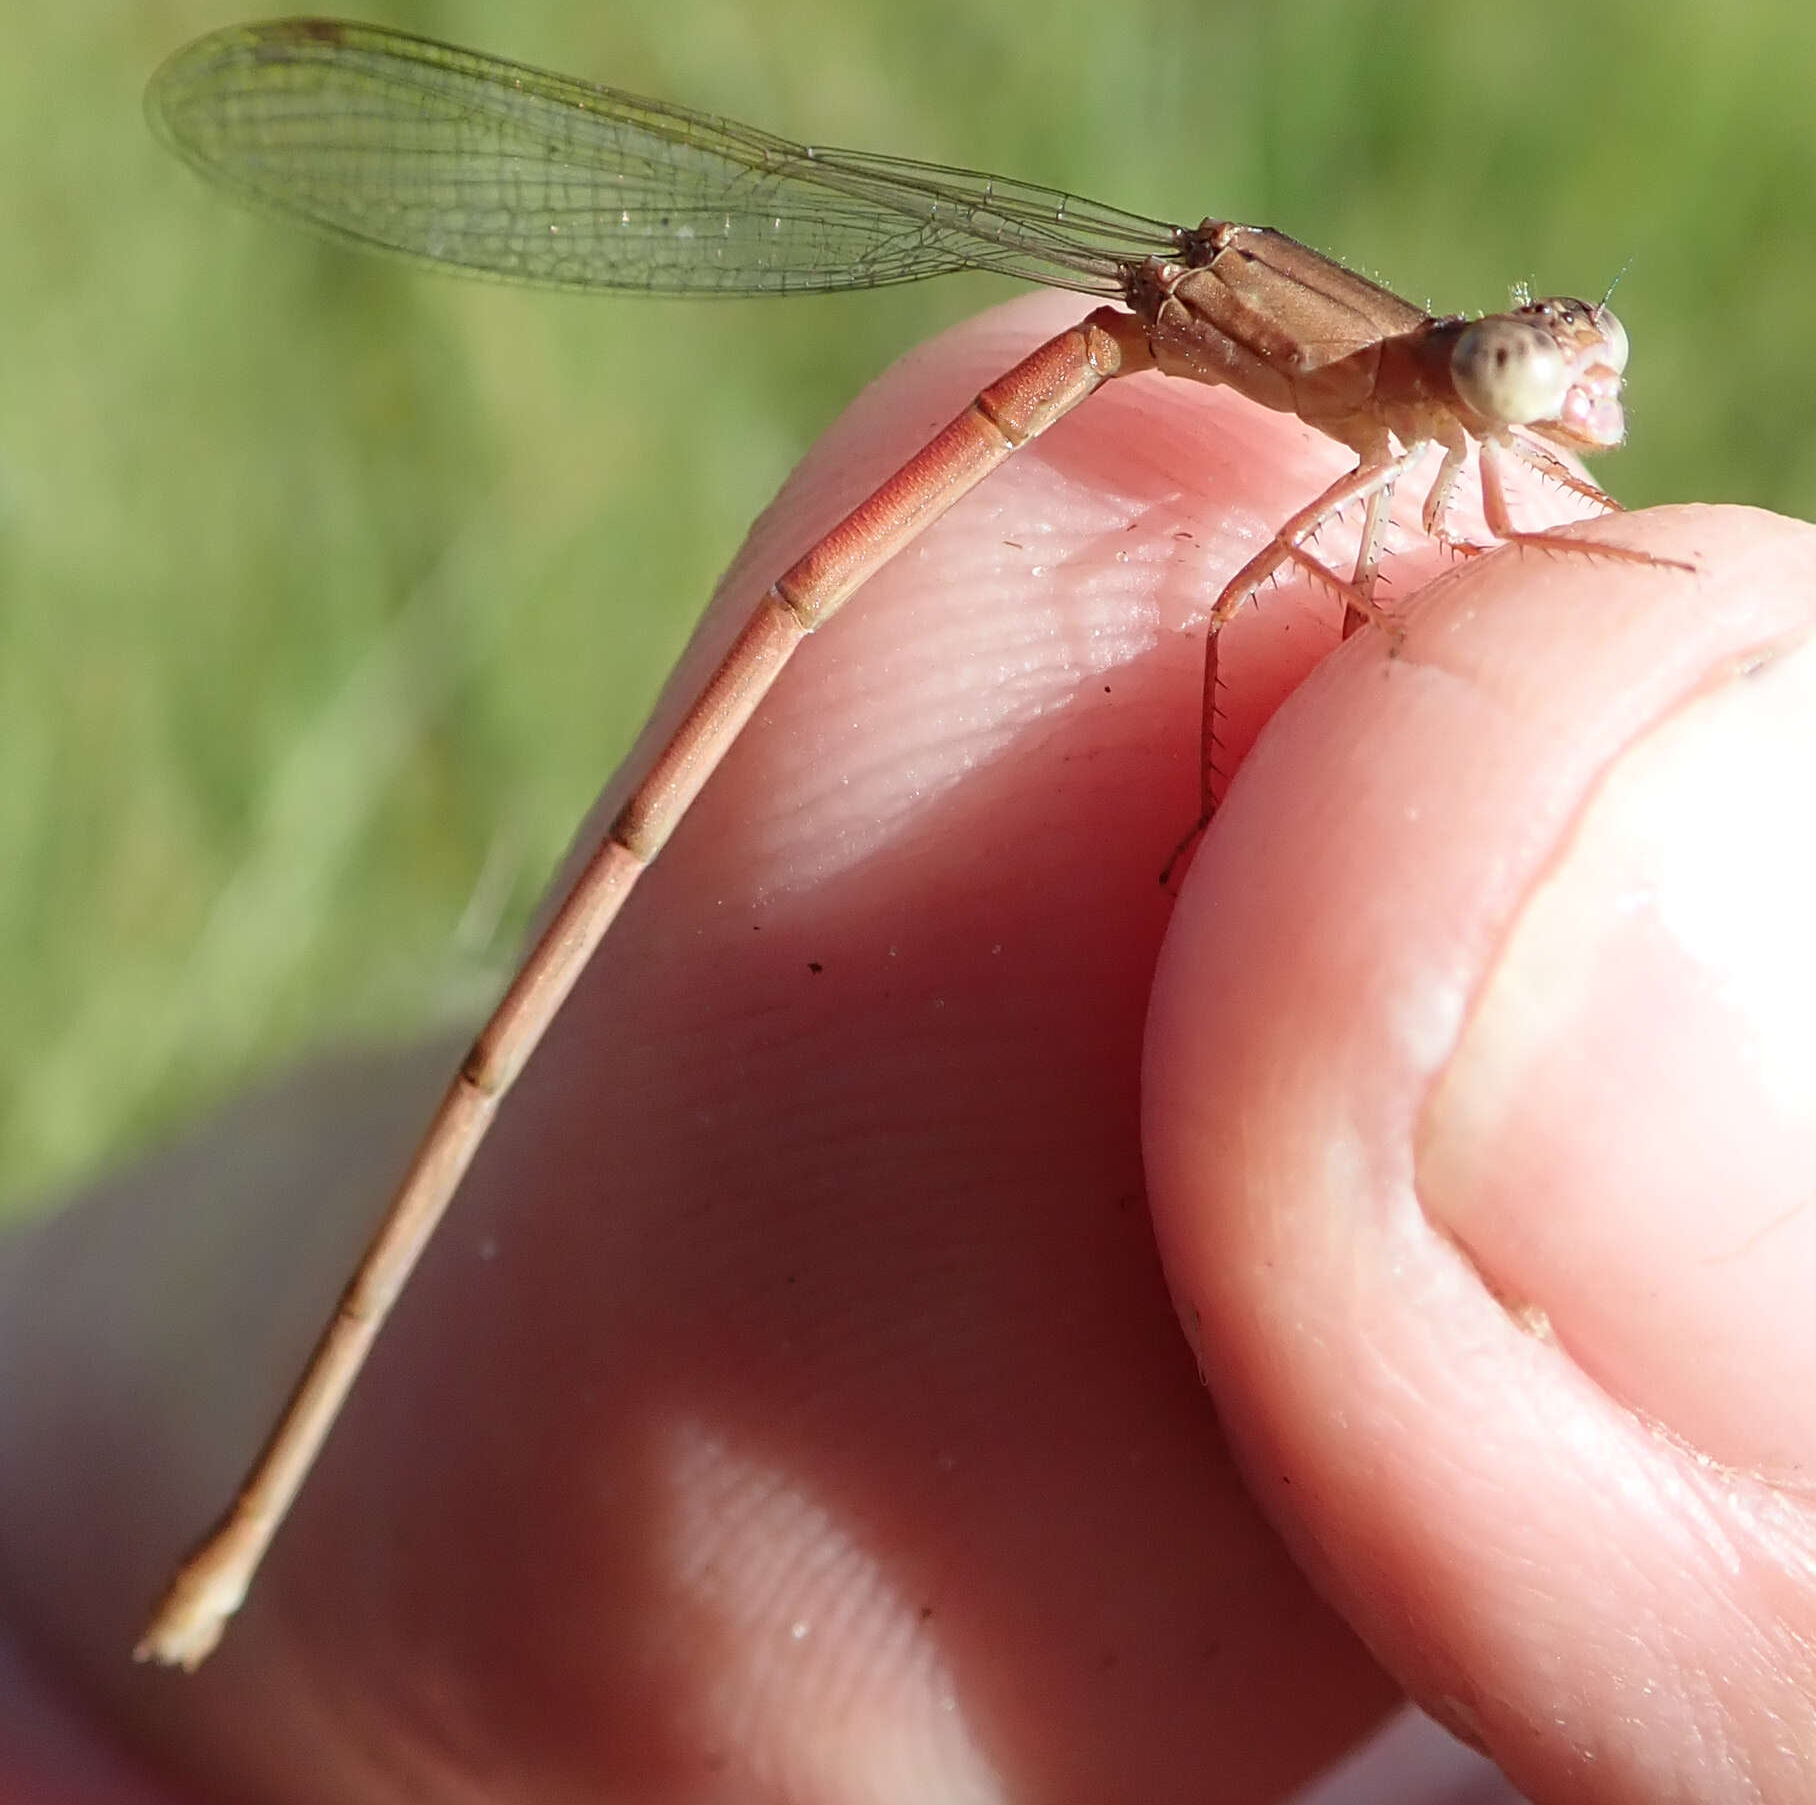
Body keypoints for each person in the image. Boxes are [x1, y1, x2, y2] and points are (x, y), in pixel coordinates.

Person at [4, 296, 1812, 1803]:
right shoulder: (1325, 389)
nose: (1572, 398)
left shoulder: (1414, 404)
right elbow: (1236, 604)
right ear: (1452, 380)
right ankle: (234, 1540)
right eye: (1522, 375)